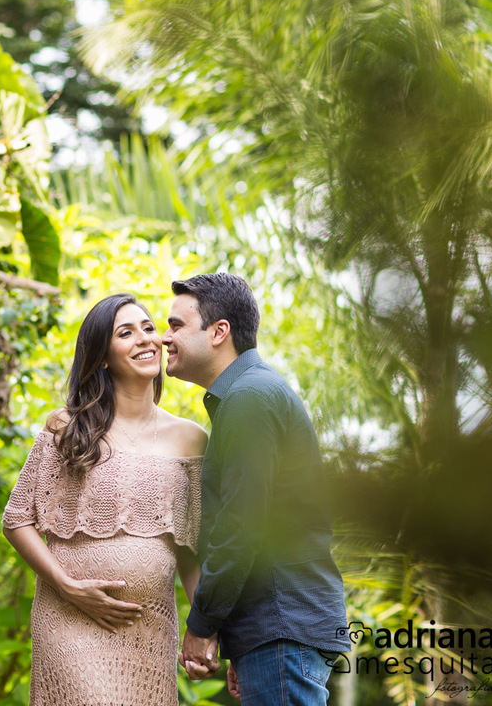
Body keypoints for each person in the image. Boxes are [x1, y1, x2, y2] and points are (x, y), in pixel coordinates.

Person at [2, 293, 207, 706]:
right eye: (125, 333)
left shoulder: (191, 438)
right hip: (68, 620)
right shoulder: (67, 427)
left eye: (148, 328)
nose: (145, 338)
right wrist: (67, 587)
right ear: (102, 358)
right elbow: (16, 519)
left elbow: (191, 549)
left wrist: (204, 630)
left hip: (148, 630)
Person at [162, 273, 349, 705]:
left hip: (280, 624)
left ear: (218, 332)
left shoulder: (250, 398)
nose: (165, 338)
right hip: (274, 631)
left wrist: (201, 626)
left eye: (176, 325)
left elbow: (240, 529)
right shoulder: (251, 393)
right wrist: (240, 642)